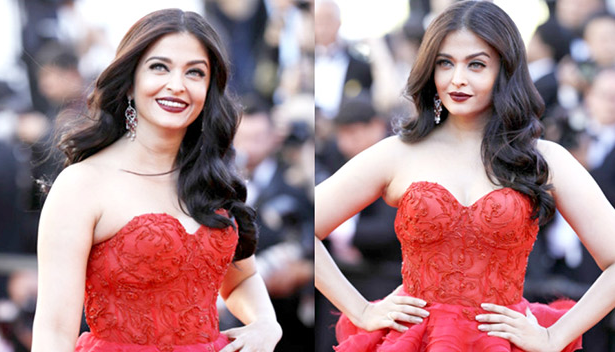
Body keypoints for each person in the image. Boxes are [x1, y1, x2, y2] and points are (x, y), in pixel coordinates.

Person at [315, 1, 615, 351]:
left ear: (504, 69)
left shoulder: (545, 159)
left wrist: (554, 336)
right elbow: (312, 222)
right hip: (415, 340)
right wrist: (362, 310)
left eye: (476, 64)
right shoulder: (397, 153)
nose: (458, 79)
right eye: (445, 63)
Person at [31, 8, 282, 352]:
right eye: (159, 67)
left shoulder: (211, 179)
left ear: (209, 90)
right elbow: (54, 332)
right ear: (131, 82)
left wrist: (266, 322)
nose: (177, 85)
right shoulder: (82, 185)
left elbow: (242, 279)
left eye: (195, 72)